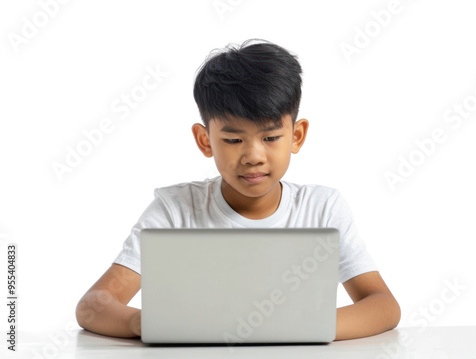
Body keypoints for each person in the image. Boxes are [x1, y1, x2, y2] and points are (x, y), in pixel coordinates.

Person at [75, 39, 400, 340]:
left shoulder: (322, 208)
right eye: (233, 140)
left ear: (297, 136)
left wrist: (301, 326)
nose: (254, 157)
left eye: (271, 138)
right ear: (205, 141)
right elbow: (94, 305)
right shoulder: (175, 209)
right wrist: (146, 323)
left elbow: (384, 305)